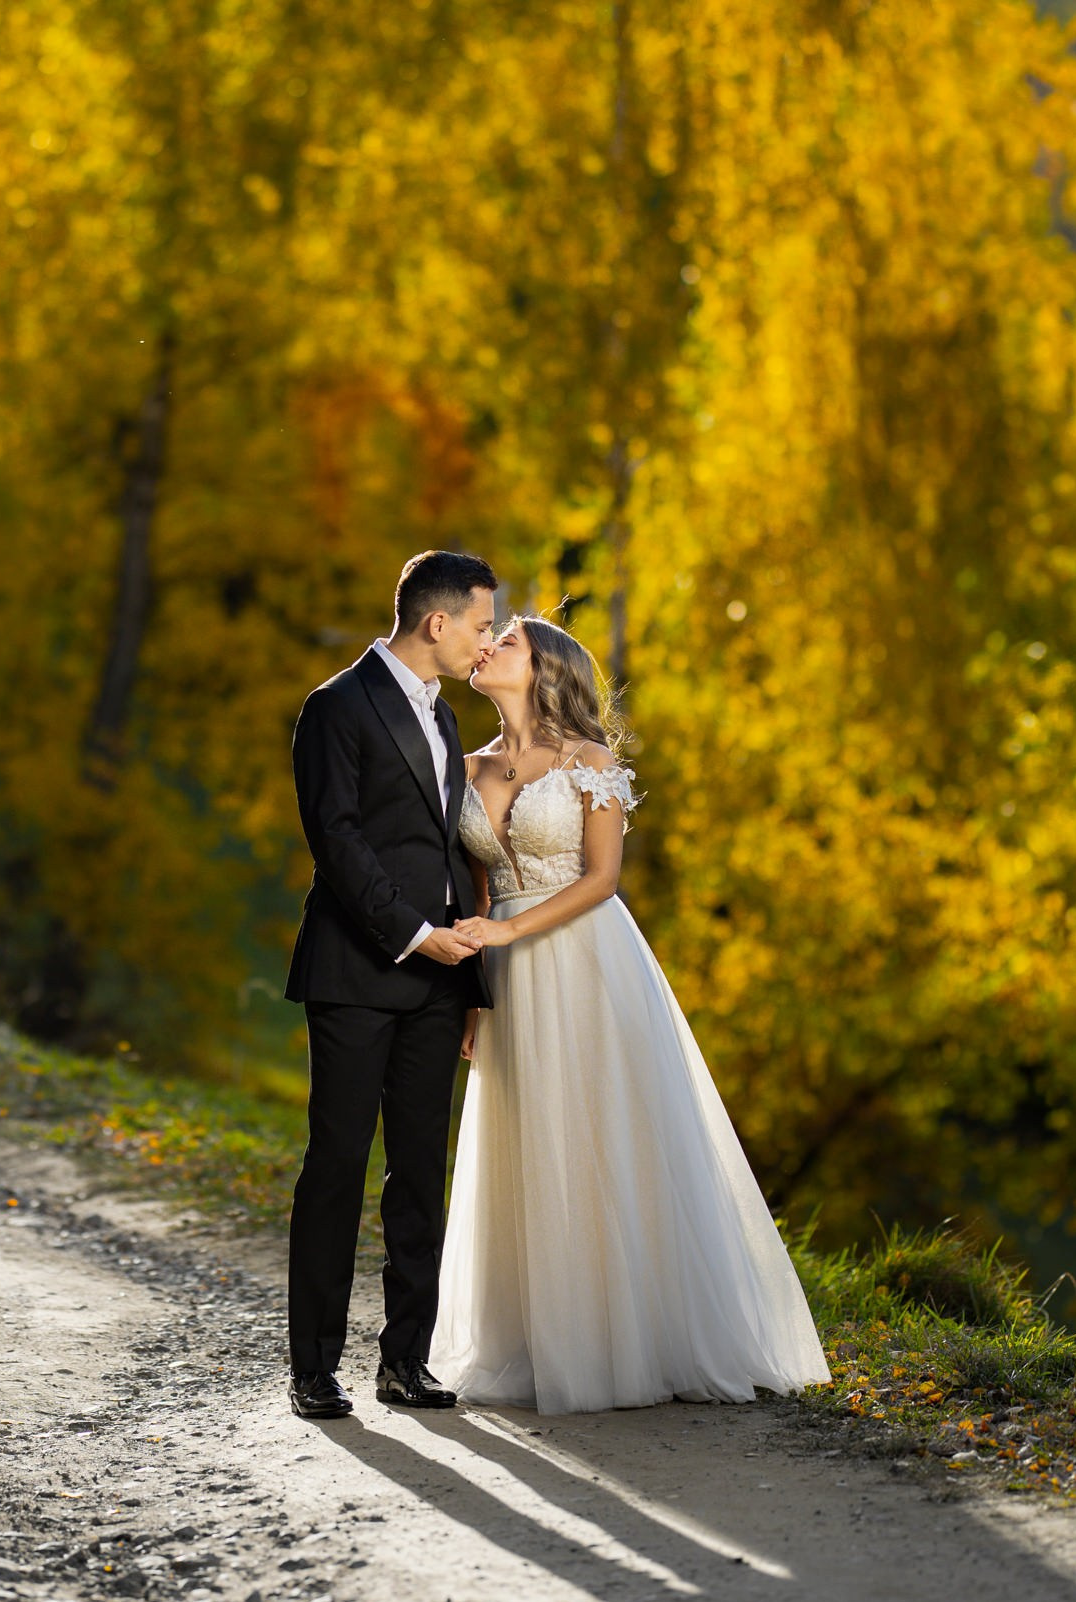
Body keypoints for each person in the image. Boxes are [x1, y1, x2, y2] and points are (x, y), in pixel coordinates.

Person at [430, 615, 829, 1412]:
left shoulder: (590, 760)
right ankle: (545, 1338)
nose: (486, 647)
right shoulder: (465, 765)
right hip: (505, 974)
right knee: (529, 1138)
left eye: (506, 640)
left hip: (586, 958)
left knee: (602, 1130)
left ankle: (636, 1335)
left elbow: (602, 878)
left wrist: (509, 926)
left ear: (546, 668)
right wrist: (475, 989)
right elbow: (474, 883)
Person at [282, 549, 497, 1419]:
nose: (485, 643)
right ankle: (313, 1368)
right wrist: (414, 936)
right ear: (436, 622)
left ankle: (405, 1358)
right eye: (480, 625)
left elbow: (448, 853)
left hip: (440, 986)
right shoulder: (335, 707)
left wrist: (470, 978)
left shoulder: (445, 717)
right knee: (336, 1166)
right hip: (358, 971)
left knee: (420, 1175)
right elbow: (336, 840)